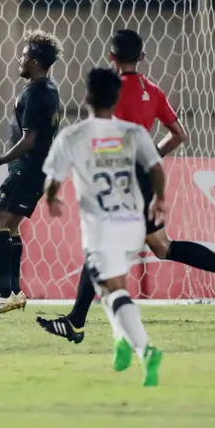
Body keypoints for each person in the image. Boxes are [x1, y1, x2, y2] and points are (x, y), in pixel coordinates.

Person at [37, 29, 215, 344]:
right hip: (142, 177)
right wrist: (151, 156)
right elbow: (179, 134)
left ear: (111, 58)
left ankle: (77, 322)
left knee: (105, 248)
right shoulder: (152, 90)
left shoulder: (109, 93)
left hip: (121, 181)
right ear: (141, 57)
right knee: (161, 246)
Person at [43, 67, 166, 386]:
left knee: (111, 292)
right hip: (133, 223)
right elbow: (156, 167)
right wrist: (161, 200)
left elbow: (53, 181)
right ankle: (121, 341)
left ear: (86, 97)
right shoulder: (133, 132)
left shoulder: (73, 136)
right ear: (115, 99)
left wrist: (53, 198)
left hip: (101, 227)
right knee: (114, 284)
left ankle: (145, 349)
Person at [0, 30, 62, 315]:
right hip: (33, 172)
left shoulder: (38, 94)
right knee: (9, 227)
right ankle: (14, 292)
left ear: (34, 60)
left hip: (27, 171)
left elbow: (29, 140)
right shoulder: (48, 90)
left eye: (24, 55)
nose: (19, 59)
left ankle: (3, 293)